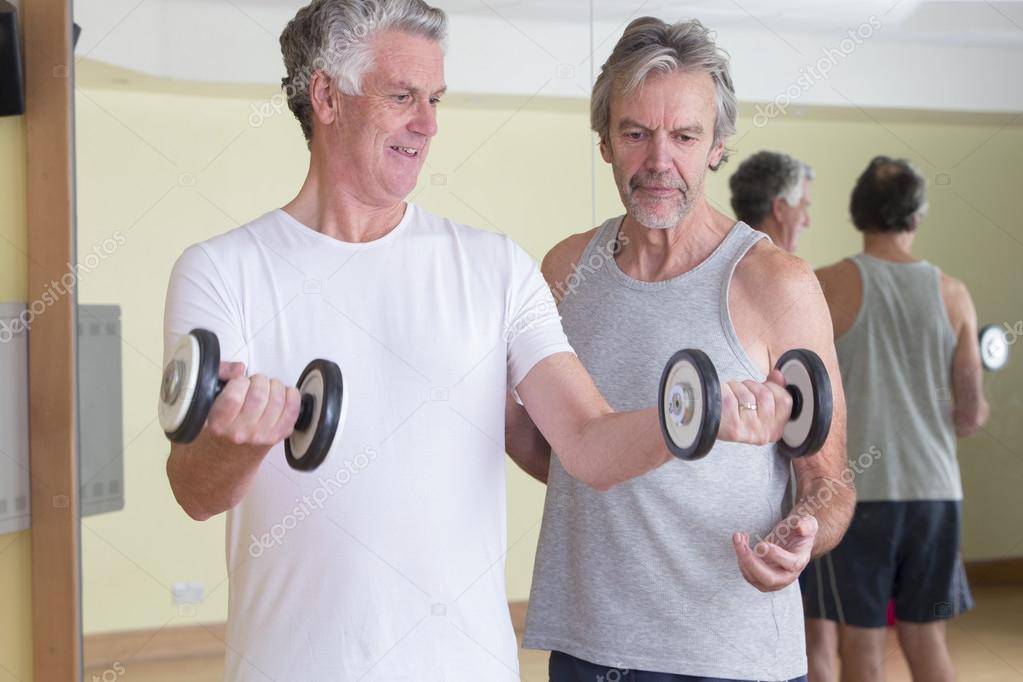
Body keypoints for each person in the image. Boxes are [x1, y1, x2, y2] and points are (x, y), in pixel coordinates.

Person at [161, 2, 799, 679]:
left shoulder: (493, 268)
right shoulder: (222, 270)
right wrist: (237, 444)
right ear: (325, 96)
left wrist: (698, 417)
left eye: (434, 99)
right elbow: (196, 493)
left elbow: (587, 443)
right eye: (402, 96)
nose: (428, 124)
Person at [509, 17, 854, 682]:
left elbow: (829, 485)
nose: (658, 161)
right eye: (635, 133)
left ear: (717, 146)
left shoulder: (773, 282)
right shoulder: (564, 270)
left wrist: (799, 537)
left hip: (730, 654)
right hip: (588, 645)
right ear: (605, 141)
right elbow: (546, 442)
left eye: (684, 136)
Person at [807, 156, 987, 681]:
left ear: (858, 212)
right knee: (926, 640)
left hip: (861, 495)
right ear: (917, 215)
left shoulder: (827, 285)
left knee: (861, 648)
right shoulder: (955, 295)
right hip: (935, 494)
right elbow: (970, 414)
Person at [729, 150, 814, 254]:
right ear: (779, 209)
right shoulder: (785, 268)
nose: (807, 222)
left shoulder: (728, 260)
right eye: (802, 207)